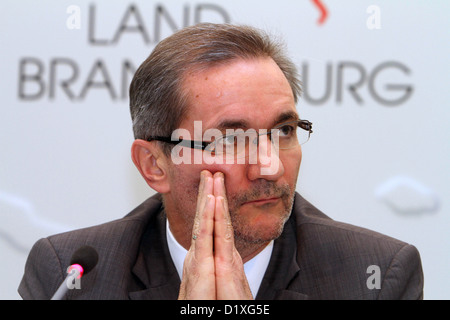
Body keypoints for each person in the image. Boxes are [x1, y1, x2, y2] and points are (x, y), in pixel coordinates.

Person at [18, 23, 423, 300]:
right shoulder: (71, 276)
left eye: (283, 131)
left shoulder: (374, 276)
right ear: (154, 164)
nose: (270, 167)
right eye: (230, 140)